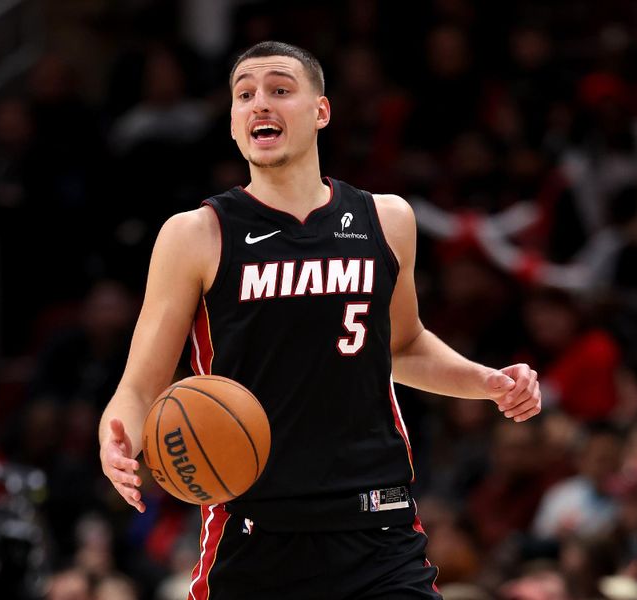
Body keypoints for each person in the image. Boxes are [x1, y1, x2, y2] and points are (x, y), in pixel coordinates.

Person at [99, 41, 541, 599]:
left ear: (321, 111)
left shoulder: (387, 218)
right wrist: (115, 440)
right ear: (234, 123)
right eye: (245, 95)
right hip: (255, 529)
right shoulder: (195, 234)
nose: (261, 103)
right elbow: (141, 384)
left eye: (280, 90)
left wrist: (485, 380)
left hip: (377, 523)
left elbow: (402, 347)